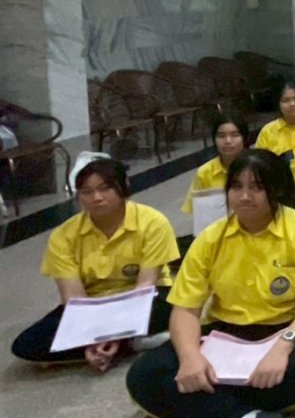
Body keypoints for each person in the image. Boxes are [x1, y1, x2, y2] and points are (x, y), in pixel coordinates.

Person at [125, 149, 295, 418]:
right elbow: (185, 309)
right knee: (143, 376)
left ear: (277, 190)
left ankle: (198, 405)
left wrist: (282, 348)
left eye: (256, 187)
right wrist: (190, 357)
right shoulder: (210, 239)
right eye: (236, 187)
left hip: (292, 328)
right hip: (229, 332)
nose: (244, 196)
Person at [12, 153, 177, 367]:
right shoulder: (63, 236)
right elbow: (73, 298)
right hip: (92, 304)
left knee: (175, 308)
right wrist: (91, 335)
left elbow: (145, 285)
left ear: (124, 186)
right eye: (86, 192)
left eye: (105, 188)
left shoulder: (153, 222)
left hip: (144, 298)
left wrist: (108, 333)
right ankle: (131, 343)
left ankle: (116, 342)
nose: (96, 197)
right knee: (27, 344)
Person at [181, 118, 250, 217]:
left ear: (245, 138)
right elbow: (197, 211)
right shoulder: (204, 172)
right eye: (221, 136)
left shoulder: (258, 167)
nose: (228, 141)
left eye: (235, 135)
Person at [254, 82, 295, 170]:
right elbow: (259, 164)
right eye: (285, 100)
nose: (292, 104)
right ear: (278, 104)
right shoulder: (267, 131)